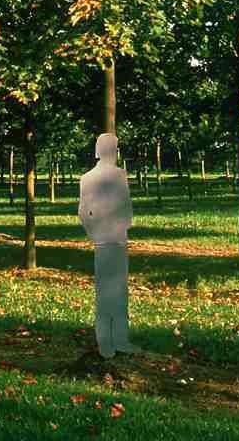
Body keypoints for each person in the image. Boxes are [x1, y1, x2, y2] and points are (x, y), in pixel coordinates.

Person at [78, 133, 137, 358]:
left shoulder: (112, 175)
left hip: (115, 239)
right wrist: (96, 233)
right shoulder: (94, 178)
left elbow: (125, 205)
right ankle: (108, 343)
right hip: (108, 240)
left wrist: (99, 231)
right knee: (109, 292)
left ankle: (117, 341)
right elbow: (84, 211)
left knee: (115, 291)